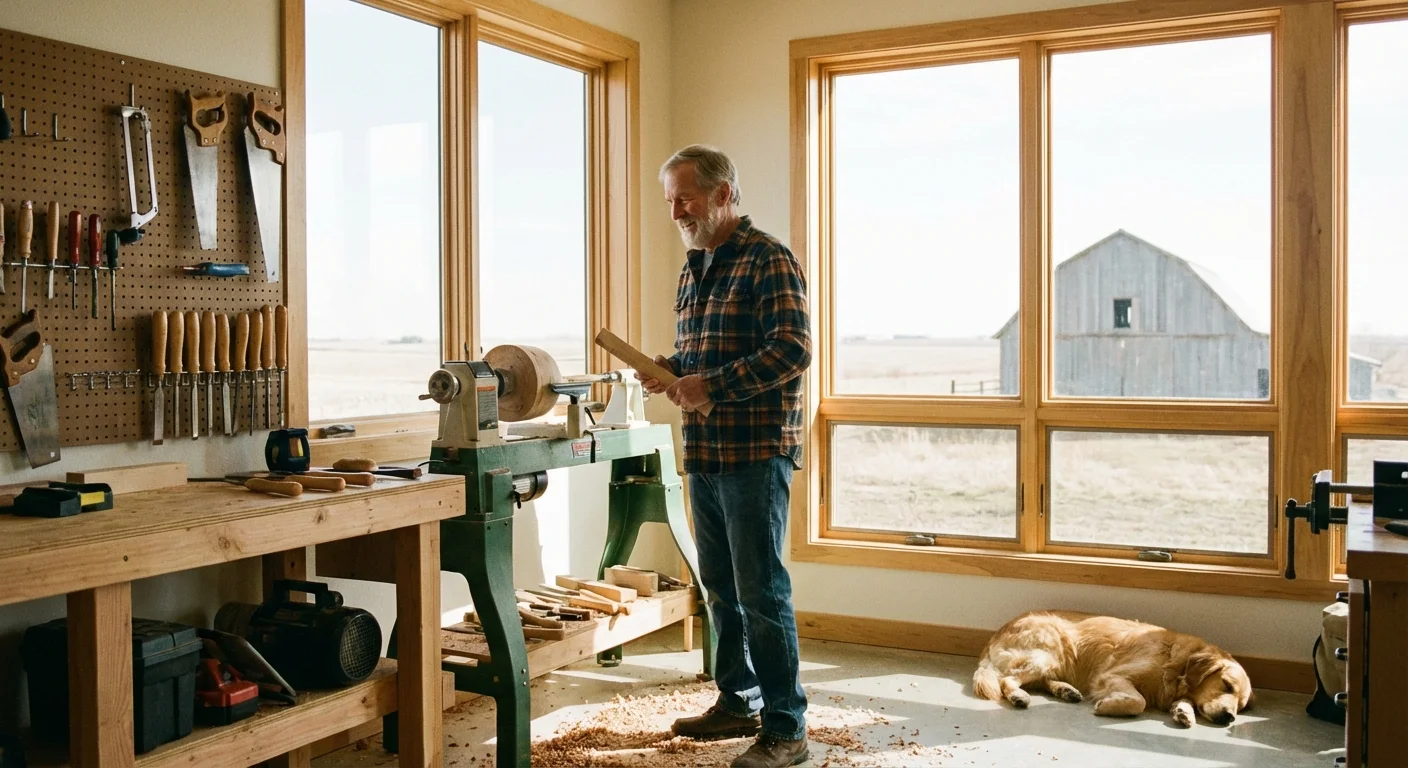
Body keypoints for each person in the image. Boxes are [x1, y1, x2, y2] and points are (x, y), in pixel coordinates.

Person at [637, 144, 812, 768]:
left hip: (755, 454)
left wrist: (710, 386)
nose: (677, 210)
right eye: (670, 200)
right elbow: (703, 356)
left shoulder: (769, 259)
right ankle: (737, 701)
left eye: (685, 196)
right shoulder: (694, 268)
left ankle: (787, 726)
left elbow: (792, 350)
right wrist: (673, 370)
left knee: (762, 591)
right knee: (718, 587)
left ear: (724, 193)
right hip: (705, 453)